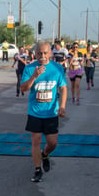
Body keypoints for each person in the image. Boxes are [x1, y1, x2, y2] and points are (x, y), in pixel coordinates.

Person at [21, 40, 67, 183]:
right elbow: (23, 88)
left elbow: (63, 88)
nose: (42, 56)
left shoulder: (57, 68)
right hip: (35, 111)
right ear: (35, 54)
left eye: (45, 53)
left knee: (52, 143)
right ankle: (37, 169)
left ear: (50, 53)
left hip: (51, 112)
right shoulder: (29, 69)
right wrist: (34, 76)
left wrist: (63, 106)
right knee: (36, 140)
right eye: (39, 53)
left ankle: (45, 154)